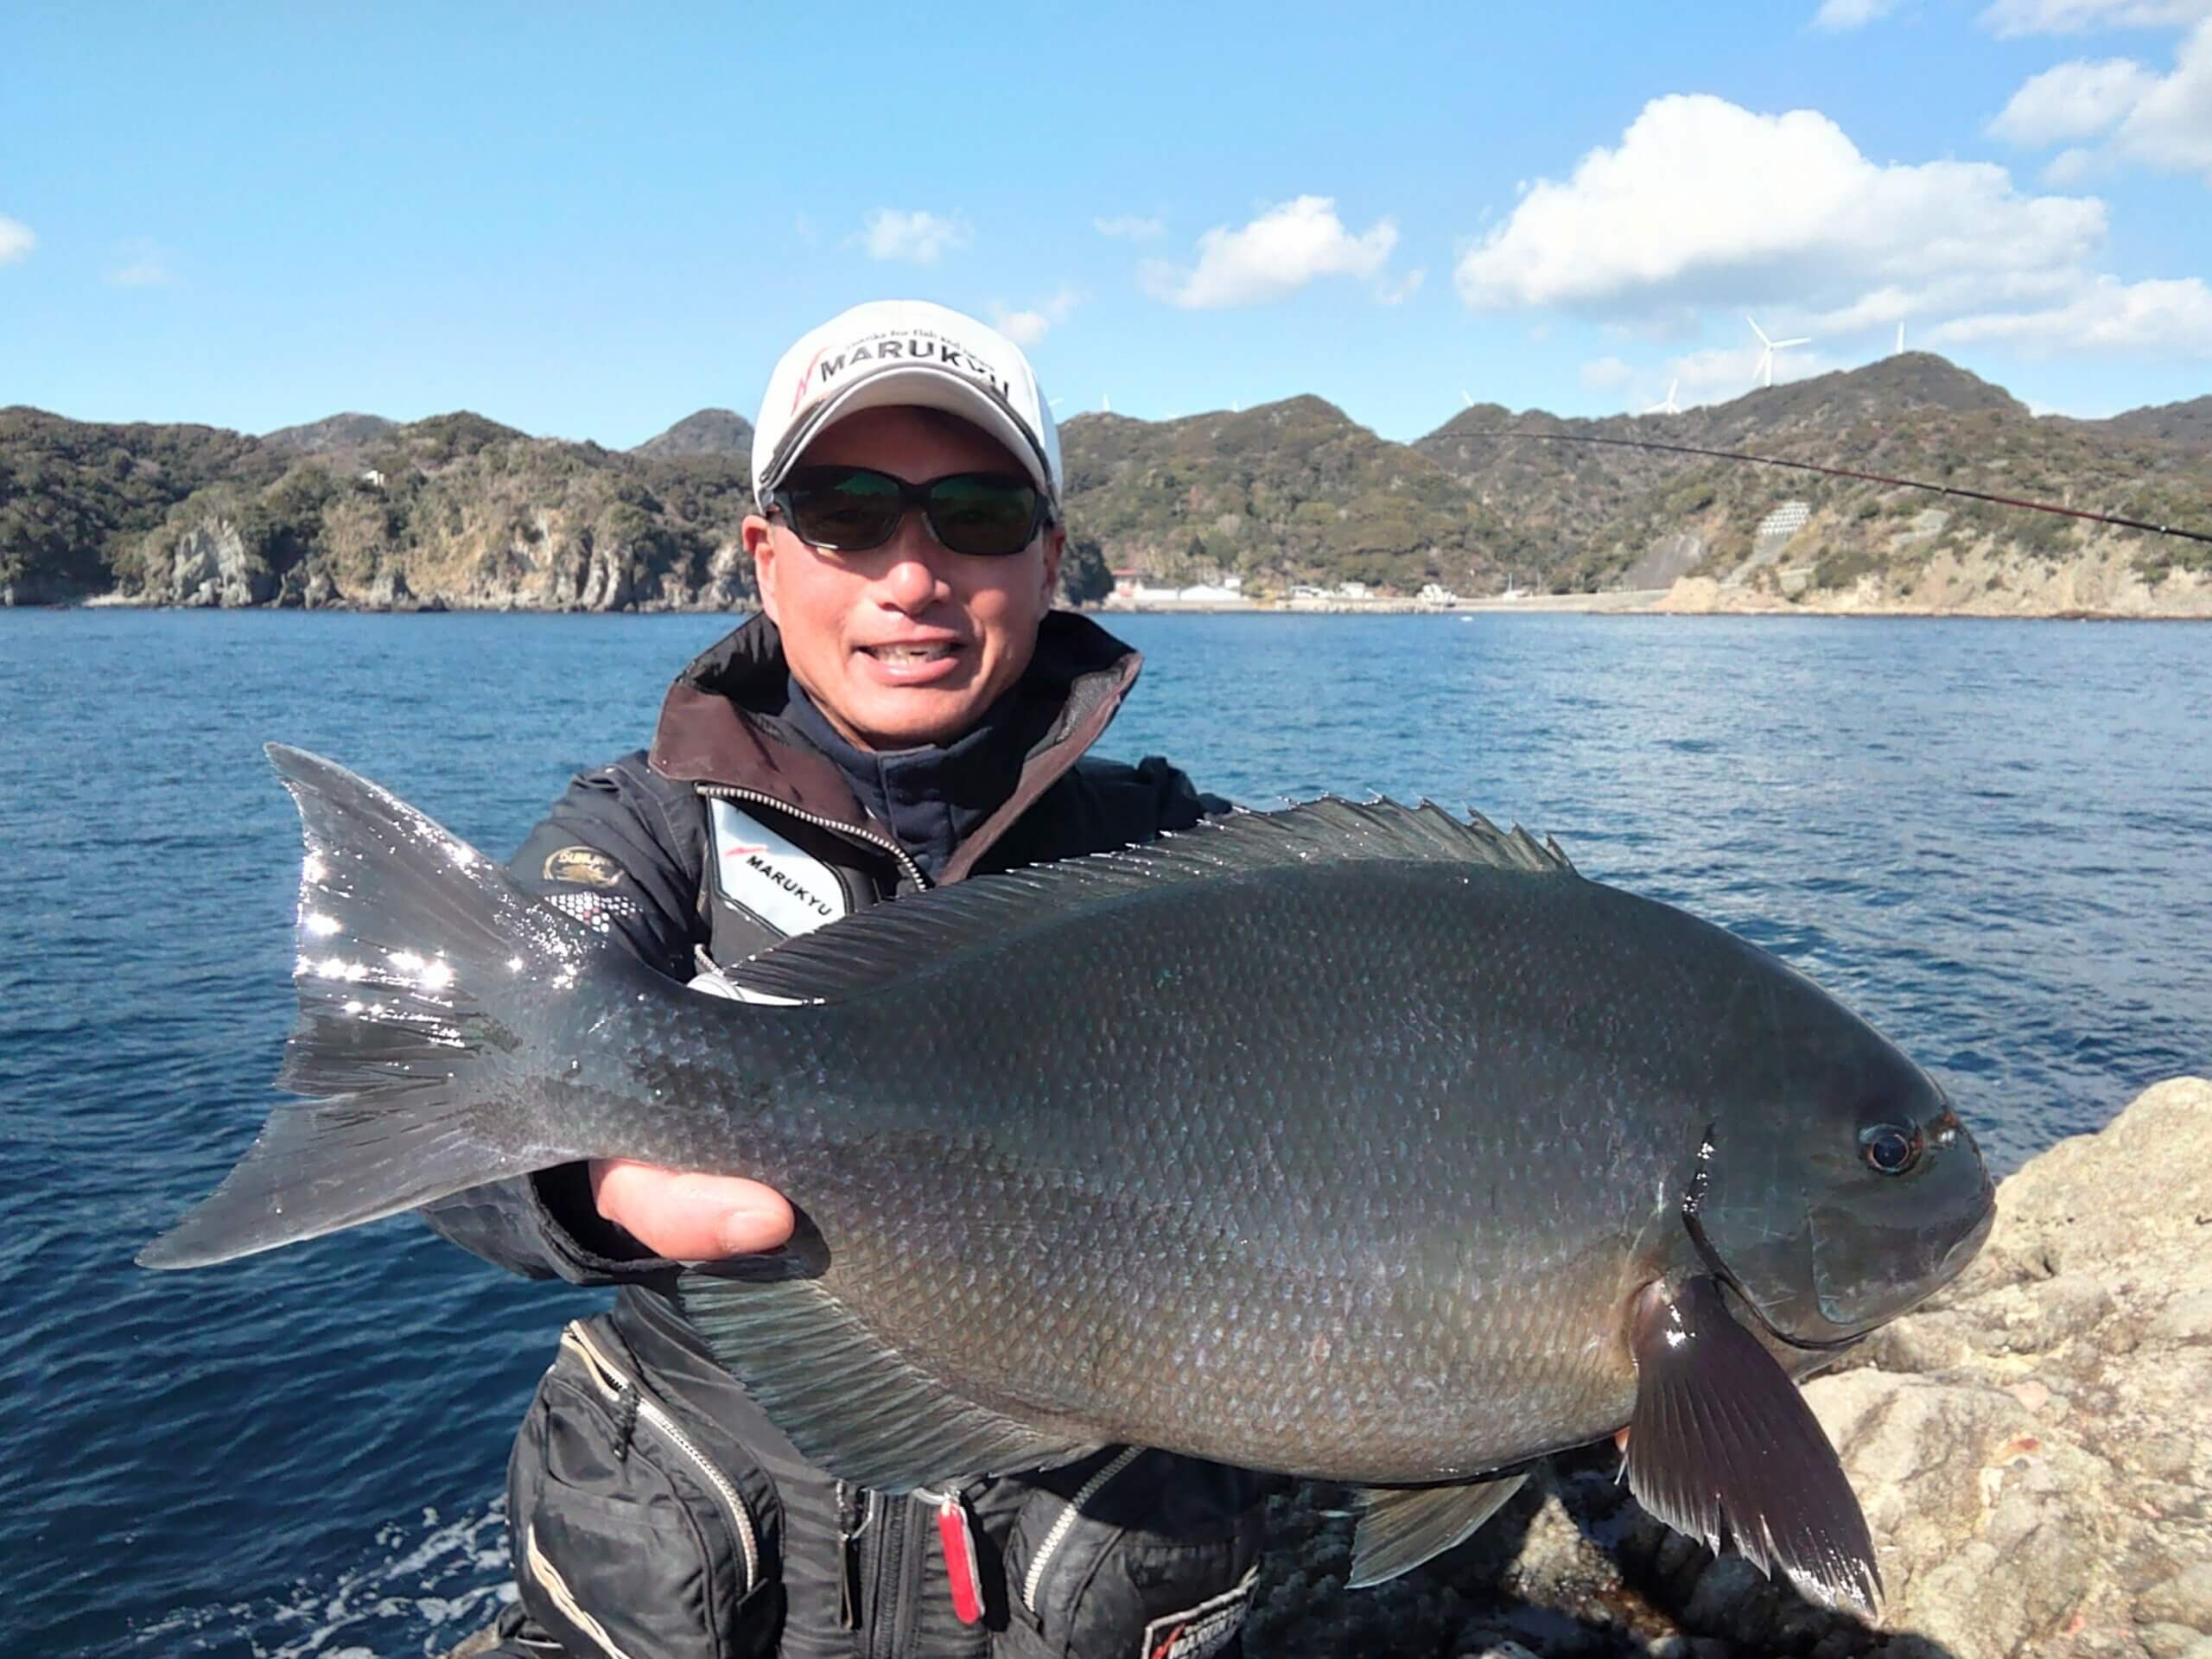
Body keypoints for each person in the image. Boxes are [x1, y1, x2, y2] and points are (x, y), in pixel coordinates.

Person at [435, 300, 1268, 1659]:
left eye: (980, 514)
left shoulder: (1181, 858)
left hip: (1084, 1551)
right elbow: (455, 1062)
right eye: (849, 511)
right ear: (765, 556)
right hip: (712, 1557)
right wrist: (591, 1183)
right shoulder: (644, 832)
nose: (913, 576)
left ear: (1051, 557)